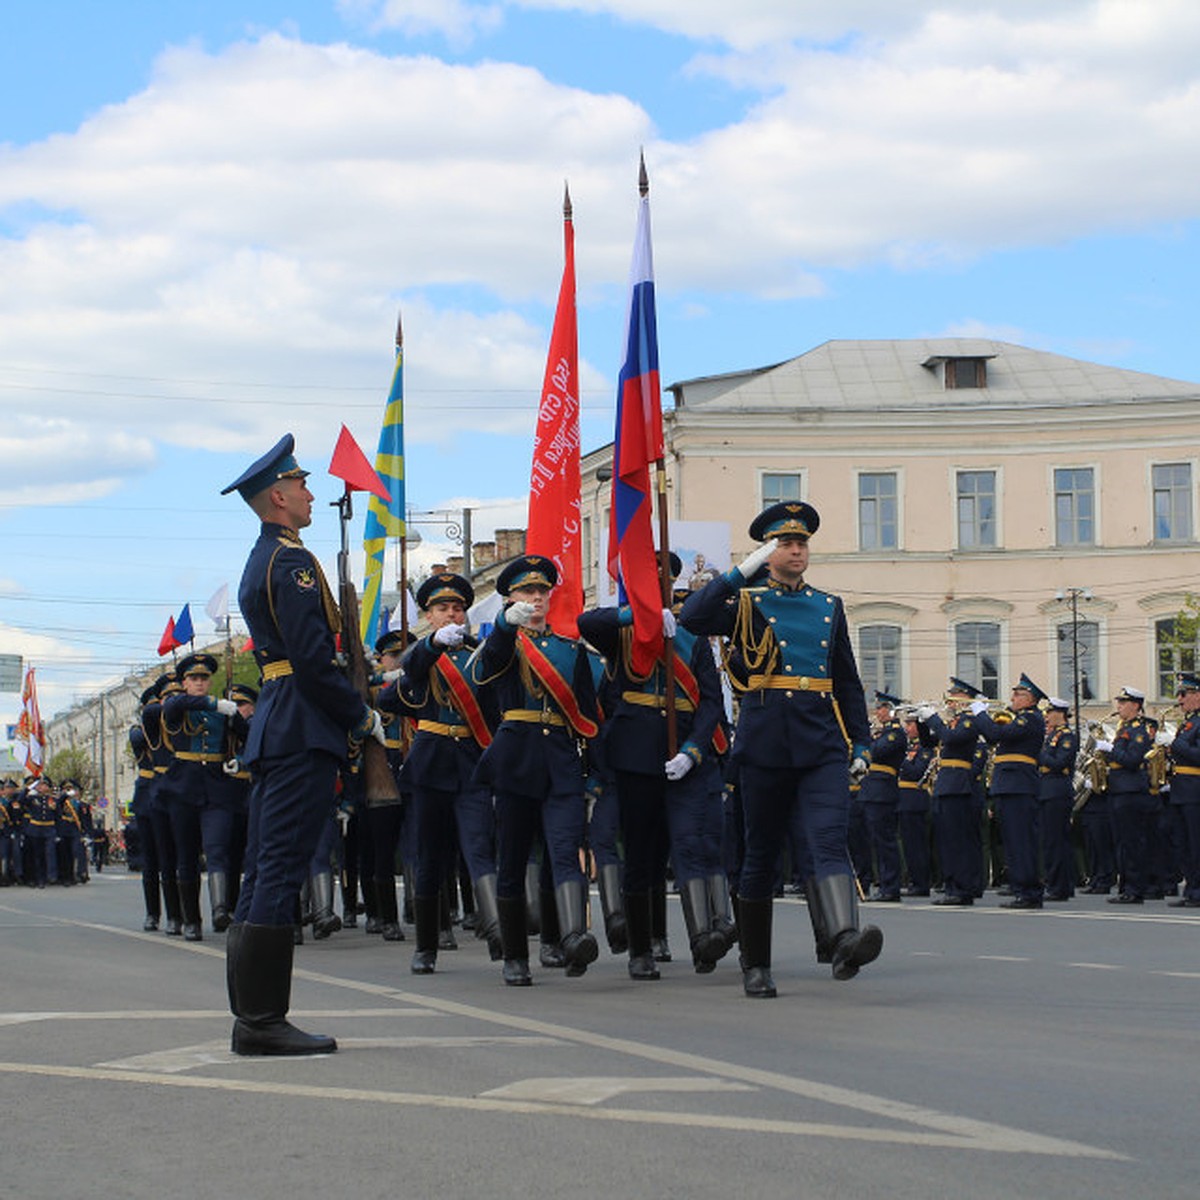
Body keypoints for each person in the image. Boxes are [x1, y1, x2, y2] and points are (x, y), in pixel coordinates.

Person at [221, 433, 384, 1056]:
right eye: (302, 484)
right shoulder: (289, 562)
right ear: (279, 496)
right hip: (301, 723)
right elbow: (315, 662)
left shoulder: (266, 557)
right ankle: (261, 1022)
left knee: (265, 866)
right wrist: (359, 716)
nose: (313, 494)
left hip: (280, 721)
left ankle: (253, 1018)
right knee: (279, 867)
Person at [680, 501, 880, 997]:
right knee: (762, 854)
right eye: (785, 544)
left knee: (829, 839)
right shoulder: (746, 601)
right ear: (768, 554)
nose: (796, 549)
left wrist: (861, 742)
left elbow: (847, 682)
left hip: (821, 742)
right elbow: (692, 618)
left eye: (801, 543)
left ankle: (843, 938)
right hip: (766, 739)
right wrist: (737, 573)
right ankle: (756, 963)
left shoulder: (828, 606)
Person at [578, 553, 732, 980]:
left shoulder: (692, 638)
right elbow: (587, 624)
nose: (659, 588)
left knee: (689, 844)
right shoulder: (623, 633)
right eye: (650, 581)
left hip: (682, 754)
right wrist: (636, 616)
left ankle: (704, 938)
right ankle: (641, 949)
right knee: (642, 854)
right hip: (634, 756)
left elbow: (710, 702)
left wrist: (693, 751)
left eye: (665, 582)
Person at [470, 554, 600, 986]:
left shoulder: (569, 650)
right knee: (513, 858)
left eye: (543, 590)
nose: (537, 598)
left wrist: (593, 774)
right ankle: (514, 955)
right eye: (528, 591)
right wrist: (508, 623)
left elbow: (587, 714)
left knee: (565, 853)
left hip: (560, 761)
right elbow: (491, 664)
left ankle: (570, 937)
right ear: (510, 599)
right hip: (517, 762)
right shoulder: (502, 643)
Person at [385, 572, 501, 972]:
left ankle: (498, 931)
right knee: (430, 856)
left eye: (456, 608)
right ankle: (426, 945)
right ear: (428, 616)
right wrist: (433, 644)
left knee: (479, 847)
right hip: (431, 763)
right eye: (441, 608)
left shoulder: (478, 653)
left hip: (471, 760)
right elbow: (410, 667)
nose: (451, 614)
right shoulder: (423, 652)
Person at [973, 674, 1047, 910]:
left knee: (1022, 841)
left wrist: (980, 714)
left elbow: (995, 735)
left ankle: (1029, 891)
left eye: (1019, 694)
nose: (1013, 698)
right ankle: (1020, 886)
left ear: (1031, 699)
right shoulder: (1020, 718)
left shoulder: (1031, 719)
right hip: (1010, 786)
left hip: (1020, 787)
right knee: (1013, 841)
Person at [1095, 686, 1154, 904]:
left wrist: (1109, 749)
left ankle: (1135, 888)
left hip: (1131, 791)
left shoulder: (1139, 730)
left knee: (1131, 842)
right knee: (1121, 842)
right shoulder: (1123, 729)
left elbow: (1132, 759)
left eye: (1123, 702)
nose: (1118, 706)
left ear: (1136, 706)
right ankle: (1126, 886)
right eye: (1118, 702)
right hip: (1119, 789)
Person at [861, 691, 906, 902]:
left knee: (885, 841)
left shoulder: (895, 733)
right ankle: (882, 883)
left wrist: (867, 740)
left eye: (880, 708)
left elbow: (876, 752)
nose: (877, 712)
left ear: (890, 709)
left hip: (883, 792)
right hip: (872, 791)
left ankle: (891, 886)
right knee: (875, 842)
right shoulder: (881, 733)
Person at [1038, 697, 1077, 901]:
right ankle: (1059, 883)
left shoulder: (1067, 736)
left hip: (1057, 789)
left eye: (1049, 712)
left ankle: (1059, 886)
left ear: (1060, 714)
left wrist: (1038, 750)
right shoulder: (1051, 735)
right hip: (1046, 789)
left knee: (1056, 841)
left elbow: (1059, 762)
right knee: (1050, 840)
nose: (1046, 716)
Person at [1167, 671, 1200, 907]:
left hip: (1194, 791)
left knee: (1195, 843)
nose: (1179, 699)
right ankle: (1191, 888)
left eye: (1184, 694)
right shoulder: (1188, 723)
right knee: (1182, 843)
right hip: (1180, 790)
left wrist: (1174, 743)